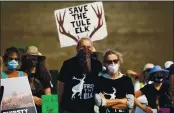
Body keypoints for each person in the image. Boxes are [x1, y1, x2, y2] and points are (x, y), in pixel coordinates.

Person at [57, 38, 102, 113]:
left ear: (92, 49)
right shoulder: (68, 64)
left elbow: (100, 85)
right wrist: (57, 107)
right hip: (69, 109)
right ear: (77, 48)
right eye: (83, 46)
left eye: (88, 47)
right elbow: (60, 87)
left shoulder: (97, 65)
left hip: (89, 109)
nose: (86, 49)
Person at [20, 46, 52, 113]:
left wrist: (50, 110)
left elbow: (48, 92)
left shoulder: (44, 73)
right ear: (25, 58)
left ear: (38, 59)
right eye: (30, 57)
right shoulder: (20, 73)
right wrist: (31, 98)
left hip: (41, 107)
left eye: (34, 57)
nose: (32, 59)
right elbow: (17, 93)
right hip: (25, 107)